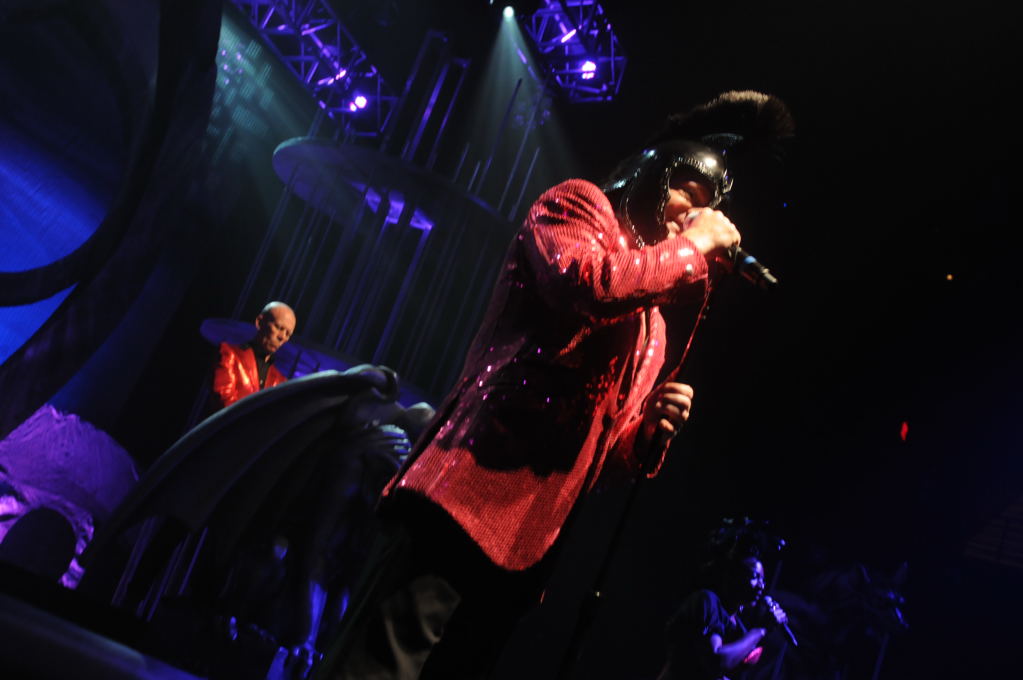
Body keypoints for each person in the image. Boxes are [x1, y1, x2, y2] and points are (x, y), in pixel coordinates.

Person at [314, 91, 794, 680]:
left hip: (531, 543)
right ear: (652, 174)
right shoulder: (578, 206)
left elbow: (605, 455)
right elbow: (584, 285)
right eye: (687, 197)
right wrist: (692, 248)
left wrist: (648, 433)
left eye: (706, 210)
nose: (695, 218)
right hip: (463, 496)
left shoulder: (654, 327)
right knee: (378, 669)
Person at [657, 551, 790, 680]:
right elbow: (716, 661)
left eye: (763, 580)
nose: (761, 586)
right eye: (755, 577)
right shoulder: (707, 601)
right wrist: (762, 629)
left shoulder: (738, 627)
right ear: (733, 575)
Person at [212, 301, 297, 409]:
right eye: (278, 327)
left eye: (288, 334)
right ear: (259, 322)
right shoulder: (229, 354)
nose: (282, 337)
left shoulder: (281, 380)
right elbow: (223, 401)